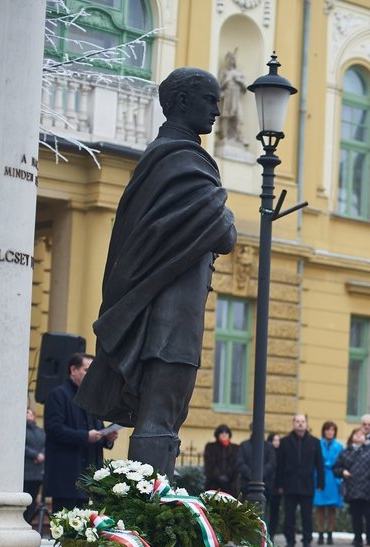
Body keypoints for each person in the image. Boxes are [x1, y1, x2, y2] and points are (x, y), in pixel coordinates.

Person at [75, 68, 236, 479]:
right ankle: (149, 516)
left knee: (162, 412)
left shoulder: (161, 157)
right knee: (162, 414)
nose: (218, 110)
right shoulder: (181, 159)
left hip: (160, 309)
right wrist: (222, 214)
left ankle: (146, 506)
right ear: (182, 102)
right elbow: (223, 229)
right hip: (172, 314)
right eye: (210, 100)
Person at [44, 354, 116, 513]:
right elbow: (54, 430)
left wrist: (107, 438)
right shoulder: (58, 395)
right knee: (65, 525)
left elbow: (97, 429)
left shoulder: (92, 399)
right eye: (86, 370)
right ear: (73, 370)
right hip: (67, 475)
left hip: (89, 476)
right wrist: (85, 436)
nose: (90, 375)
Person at [335, 428, 370, 547]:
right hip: (353, 489)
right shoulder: (346, 452)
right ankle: (357, 542)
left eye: (361, 435)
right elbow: (336, 468)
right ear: (352, 436)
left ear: (365, 438)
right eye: (356, 434)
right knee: (356, 518)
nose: (359, 437)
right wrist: (343, 472)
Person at [277, 413, 325, 547]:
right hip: (289, 484)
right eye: (297, 421)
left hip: (307, 484)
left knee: (307, 515)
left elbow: (319, 464)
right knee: (289, 515)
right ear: (293, 423)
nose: (300, 424)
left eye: (302, 421)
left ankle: (307, 540)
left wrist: (321, 482)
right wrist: (279, 484)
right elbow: (280, 465)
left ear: (306, 424)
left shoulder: (314, 442)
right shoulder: (285, 442)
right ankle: (290, 540)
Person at [313, 421, 344, 546]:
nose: (330, 432)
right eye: (327, 430)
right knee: (320, 507)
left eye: (332, 430)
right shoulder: (318, 444)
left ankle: (330, 533)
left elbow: (342, 462)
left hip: (333, 477)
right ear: (324, 431)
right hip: (320, 476)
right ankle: (320, 533)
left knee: (332, 508)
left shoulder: (339, 446)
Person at [217, 49, 246, 144]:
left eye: (233, 59)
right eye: (230, 59)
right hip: (227, 96)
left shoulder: (239, 73)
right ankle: (223, 136)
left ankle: (239, 137)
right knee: (225, 116)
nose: (232, 61)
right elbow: (219, 86)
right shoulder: (224, 72)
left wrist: (239, 80)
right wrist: (227, 80)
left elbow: (245, 87)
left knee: (238, 117)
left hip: (237, 97)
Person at [24, 408, 46, 525]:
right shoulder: (21, 429)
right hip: (26, 471)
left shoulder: (40, 431)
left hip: (37, 471)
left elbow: (46, 444)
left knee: (33, 500)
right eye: (27, 412)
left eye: (31, 412)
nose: (30, 414)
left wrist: (42, 454)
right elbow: (22, 445)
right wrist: (36, 454)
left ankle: (29, 522)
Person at [203, 423, 238, 494]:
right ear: (217, 434)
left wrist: (228, 476)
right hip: (213, 483)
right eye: (221, 432)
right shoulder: (210, 447)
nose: (224, 434)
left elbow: (235, 464)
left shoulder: (235, 448)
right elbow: (209, 463)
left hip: (230, 484)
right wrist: (218, 476)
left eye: (226, 432)